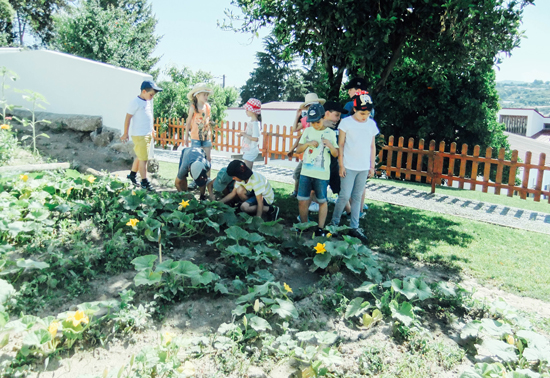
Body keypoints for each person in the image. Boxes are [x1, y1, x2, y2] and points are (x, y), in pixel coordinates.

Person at [330, 91, 379, 242]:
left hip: (363, 167)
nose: (365, 116)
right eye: (362, 112)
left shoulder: (371, 124)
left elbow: (372, 146)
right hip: (348, 166)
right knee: (344, 196)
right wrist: (341, 165)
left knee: (357, 196)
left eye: (368, 112)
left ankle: (354, 227)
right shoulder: (346, 123)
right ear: (354, 110)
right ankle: (334, 224)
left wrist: (372, 166)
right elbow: (341, 145)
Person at [295, 103, 338, 237]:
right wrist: (307, 144)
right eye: (312, 123)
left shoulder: (330, 133)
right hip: (306, 173)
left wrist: (330, 146)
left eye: (318, 122)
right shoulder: (307, 131)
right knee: (302, 199)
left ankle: (320, 228)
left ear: (323, 117)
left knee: (322, 201)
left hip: (322, 174)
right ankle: (303, 224)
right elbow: (298, 150)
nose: (315, 125)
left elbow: (336, 154)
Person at [121, 80, 163, 191]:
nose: (152, 97)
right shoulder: (135, 102)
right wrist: (125, 133)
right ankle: (144, 181)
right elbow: (128, 118)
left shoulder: (147, 102)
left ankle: (132, 176)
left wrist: (152, 129)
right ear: (144, 91)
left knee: (140, 157)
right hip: (139, 135)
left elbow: (147, 117)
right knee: (144, 159)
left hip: (147, 134)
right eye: (151, 94)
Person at [287, 93, 326, 213]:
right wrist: (297, 116)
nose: (310, 108)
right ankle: (299, 194)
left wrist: (292, 149)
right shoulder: (305, 120)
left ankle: (314, 201)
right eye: (308, 106)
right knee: (299, 175)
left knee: (311, 177)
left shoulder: (320, 121)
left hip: (316, 153)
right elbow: (295, 131)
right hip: (307, 153)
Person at [184, 83, 213, 162]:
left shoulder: (207, 107)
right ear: (197, 96)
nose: (206, 97)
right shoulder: (193, 108)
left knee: (208, 159)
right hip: (195, 138)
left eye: (207, 95)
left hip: (206, 137)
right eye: (204, 95)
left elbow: (208, 121)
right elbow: (188, 122)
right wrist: (186, 137)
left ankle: (208, 175)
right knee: (197, 159)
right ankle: (198, 174)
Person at [240, 98, 262, 168]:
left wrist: (244, 135)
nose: (246, 111)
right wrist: (242, 134)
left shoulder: (255, 124)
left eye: (247, 110)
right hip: (249, 149)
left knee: (247, 171)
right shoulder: (252, 122)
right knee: (246, 170)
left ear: (253, 111)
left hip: (251, 150)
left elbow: (255, 138)